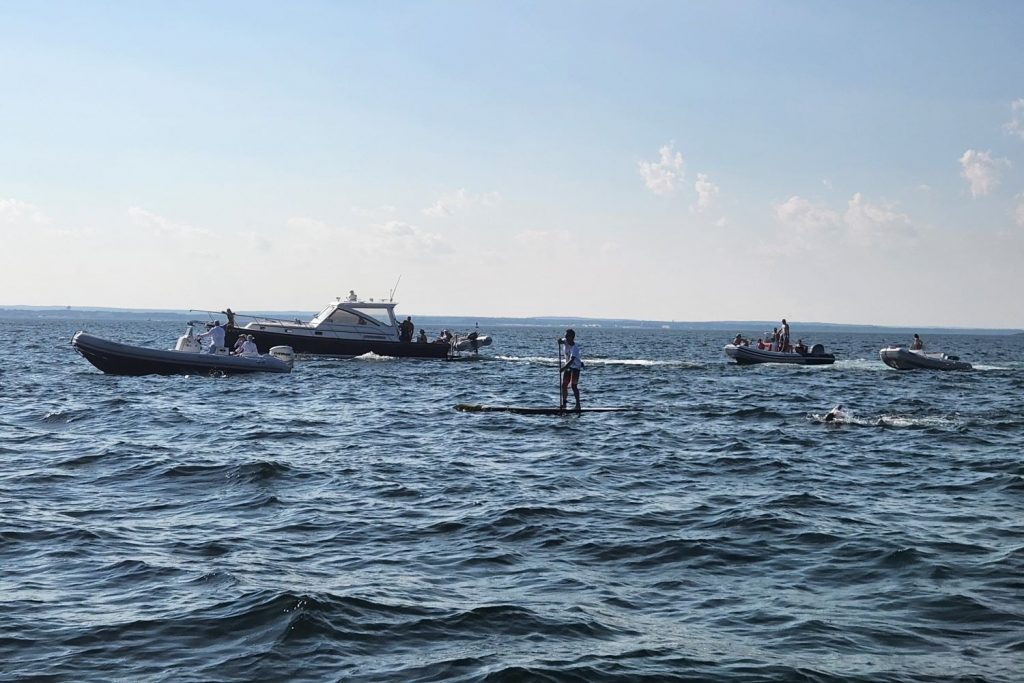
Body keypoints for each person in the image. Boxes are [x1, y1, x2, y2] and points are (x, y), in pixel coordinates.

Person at [559, 328, 583, 412]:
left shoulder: (575, 348)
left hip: (575, 368)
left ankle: (578, 405)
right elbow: (560, 340)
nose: (565, 338)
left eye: (567, 336)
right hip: (568, 367)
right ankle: (564, 403)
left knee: (573, 386)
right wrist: (559, 341)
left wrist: (563, 368)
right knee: (564, 385)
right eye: (565, 336)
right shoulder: (565, 341)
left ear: (572, 337)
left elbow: (571, 361)